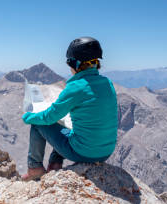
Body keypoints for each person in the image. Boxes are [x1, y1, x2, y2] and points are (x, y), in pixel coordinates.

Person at [21, 37, 118, 181]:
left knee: (38, 124)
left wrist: (28, 117)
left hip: (85, 153)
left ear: (75, 64)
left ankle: (35, 168)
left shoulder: (75, 87)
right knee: (67, 128)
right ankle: (55, 164)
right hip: (106, 151)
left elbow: (50, 117)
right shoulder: (107, 83)